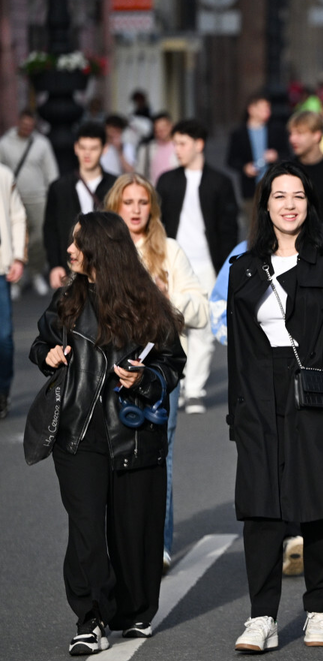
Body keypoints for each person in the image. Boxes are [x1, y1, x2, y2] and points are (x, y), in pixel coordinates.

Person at [225, 162, 323, 652]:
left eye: (298, 196)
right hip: (258, 396)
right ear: (265, 204)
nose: (288, 205)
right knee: (261, 510)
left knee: (320, 505)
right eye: (279, 196)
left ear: (310, 204)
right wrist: (236, 413)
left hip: (316, 391)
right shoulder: (244, 267)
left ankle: (319, 609)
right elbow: (238, 352)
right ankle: (262, 617)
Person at [30, 212, 185, 654]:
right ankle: (90, 617)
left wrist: (146, 379)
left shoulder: (146, 302)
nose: (70, 249)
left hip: (130, 430)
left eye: (78, 242)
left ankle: (135, 611)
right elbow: (39, 344)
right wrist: (51, 355)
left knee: (131, 524)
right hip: (77, 430)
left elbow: (172, 363)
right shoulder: (67, 298)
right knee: (86, 528)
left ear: (102, 247)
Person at [105, 174, 209, 572]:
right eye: (127, 202)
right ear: (115, 207)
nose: (135, 209)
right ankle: (118, 546)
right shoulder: (103, 250)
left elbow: (199, 308)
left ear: (153, 208)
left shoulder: (169, 250)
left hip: (158, 368)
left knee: (158, 454)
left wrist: (169, 300)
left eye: (142, 202)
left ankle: (158, 546)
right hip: (109, 367)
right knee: (110, 456)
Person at [156, 119, 240, 414]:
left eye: (181, 143)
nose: (176, 149)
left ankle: (194, 390)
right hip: (173, 264)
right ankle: (177, 382)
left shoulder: (220, 182)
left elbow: (229, 228)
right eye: (175, 144)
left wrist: (227, 269)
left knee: (202, 326)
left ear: (198, 145)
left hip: (208, 265)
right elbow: (158, 225)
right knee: (173, 325)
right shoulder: (167, 181)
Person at [44, 123, 118, 290]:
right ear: (76, 148)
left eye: (93, 148)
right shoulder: (59, 187)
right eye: (83, 147)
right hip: (70, 264)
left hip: (108, 265)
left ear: (104, 149)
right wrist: (55, 265)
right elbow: (50, 229)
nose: (87, 153)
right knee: (71, 312)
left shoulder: (116, 186)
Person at [0, 109, 59, 294]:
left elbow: (51, 172)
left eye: (30, 126)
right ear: (18, 122)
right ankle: (15, 280)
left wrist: (53, 196)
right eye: (24, 125)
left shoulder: (42, 144)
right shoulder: (4, 143)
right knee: (11, 239)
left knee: (38, 238)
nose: (27, 128)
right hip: (12, 199)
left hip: (39, 198)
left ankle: (34, 272)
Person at [226, 93, 289, 216]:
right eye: (263, 108)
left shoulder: (277, 130)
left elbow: (288, 154)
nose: (267, 111)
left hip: (275, 188)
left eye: (268, 108)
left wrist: (276, 156)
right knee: (253, 225)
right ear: (251, 109)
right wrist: (245, 168)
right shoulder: (238, 134)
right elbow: (231, 160)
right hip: (250, 190)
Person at [287, 109, 323, 232]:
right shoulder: (287, 169)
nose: (293, 139)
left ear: (316, 135)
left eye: (299, 133)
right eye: (291, 133)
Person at [0, 162, 27, 418]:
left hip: (0, 270)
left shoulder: (4, 174)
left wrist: (18, 256)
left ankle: (2, 390)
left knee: (4, 339)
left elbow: (17, 215)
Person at [136, 113, 179, 185]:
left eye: (164, 128)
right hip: (154, 191)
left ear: (171, 126)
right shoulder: (147, 149)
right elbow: (139, 173)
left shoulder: (179, 146)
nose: (161, 132)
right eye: (158, 129)